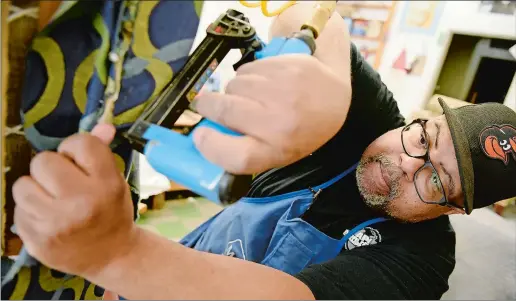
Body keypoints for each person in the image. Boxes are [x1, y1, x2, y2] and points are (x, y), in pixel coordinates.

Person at [11, 3, 516, 300]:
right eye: (425, 140)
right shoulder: (376, 124)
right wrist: (326, 75)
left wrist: (118, 252)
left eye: (435, 181)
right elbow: (310, 10)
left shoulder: (423, 263)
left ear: (454, 210)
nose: (407, 164)